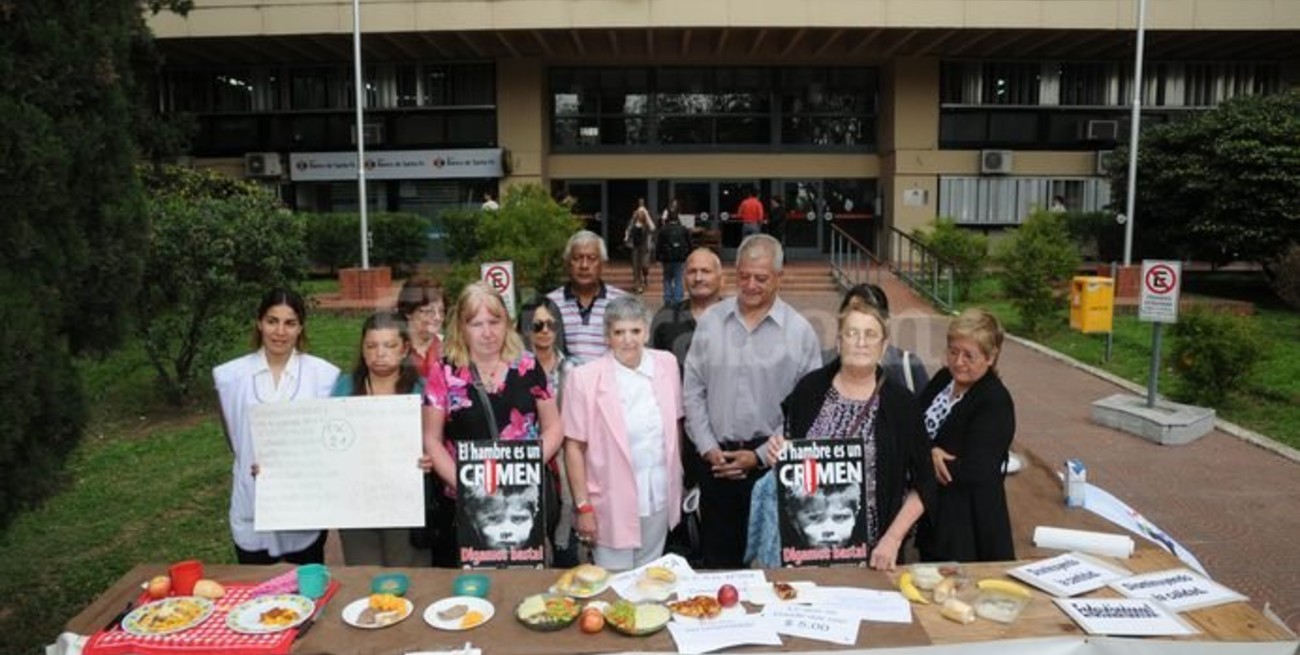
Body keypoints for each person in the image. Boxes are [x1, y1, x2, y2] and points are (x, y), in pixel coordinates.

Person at [750, 298, 936, 569]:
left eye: (870, 334)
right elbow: (792, 460)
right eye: (852, 333)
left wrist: (893, 539)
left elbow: (925, 484)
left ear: (883, 346)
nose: (861, 342)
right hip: (806, 552)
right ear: (838, 343)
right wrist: (777, 455)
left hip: (872, 553)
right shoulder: (809, 391)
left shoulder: (901, 405)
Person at [682, 234, 822, 568]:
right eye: (744, 276)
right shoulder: (711, 323)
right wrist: (706, 447)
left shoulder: (800, 333)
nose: (751, 285)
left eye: (761, 278)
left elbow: (806, 411)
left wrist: (758, 456)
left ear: (779, 277)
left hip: (769, 466)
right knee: (718, 566)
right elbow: (692, 389)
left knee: (769, 567)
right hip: (714, 460)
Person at [422, 283, 564, 566]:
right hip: (466, 504)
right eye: (476, 324)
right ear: (461, 328)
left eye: (494, 321)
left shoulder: (527, 366)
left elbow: (554, 427)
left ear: (507, 323)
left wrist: (527, 466)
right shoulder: (444, 371)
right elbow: (432, 439)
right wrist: (465, 485)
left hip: (523, 496)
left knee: (524, 582)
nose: (487, 332)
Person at [213, 288, 340, 564]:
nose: (280, 331)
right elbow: (233, 436)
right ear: (259, 323)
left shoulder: (324, 376)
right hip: (252, 499)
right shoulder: (229, 377)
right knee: (256, 594)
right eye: (272, 321)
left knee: (308, 592)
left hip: (303, 503)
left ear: (300, 327)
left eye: (290, 323)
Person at [563, 296, 684, 570]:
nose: (628, 340)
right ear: (607, 336)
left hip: (658, 495)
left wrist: (679, 480)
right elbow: (574, 447)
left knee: (651, 575)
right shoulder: (584, 379)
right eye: (619, 332)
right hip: (609, 503)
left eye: (635, 331)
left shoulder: (666, 365)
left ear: (647, 331)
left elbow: (674, 428)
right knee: (613, 583)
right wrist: (583, 506)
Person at [917, 308, 1016, 563]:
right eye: (953, 351)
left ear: (991, 357)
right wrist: (929, 452)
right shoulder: (943, 379)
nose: (958, 362)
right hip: (934, 519)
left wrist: (924, 458)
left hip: (970, 527)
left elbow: (975, 469)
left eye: (969, 355)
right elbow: (912, 425)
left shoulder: (994, 402)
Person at [331, 311, 427, 566]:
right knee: (363, 576)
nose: (380, 353)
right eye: (371, 345)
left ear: (405, 349)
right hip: (356, 503)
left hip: (407, 503)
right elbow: (327, 441)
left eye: (389, 345)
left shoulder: (422, 390)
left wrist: (429, 460)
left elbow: (436, 440)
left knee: (407, 575)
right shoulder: (343, 388)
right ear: (362, 350)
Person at [518, 297, 581, 567]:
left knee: (566, 540)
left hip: (568, 462)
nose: (545, 330)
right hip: (523, 464)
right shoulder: (511, 369)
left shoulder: (575, 368)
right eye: (537, 325)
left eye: (551, 324)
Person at [822, 283, 930, 394]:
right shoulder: (821, 364)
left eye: (871, 314)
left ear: (885, 323)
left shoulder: (908, 367)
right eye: (854, 311)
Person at [547, 230, 628, 365]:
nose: (584, 265)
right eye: (577, 258)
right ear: (567, 264)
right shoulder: (549, 304)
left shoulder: (622, 302)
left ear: (603, 264)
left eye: (592, 258)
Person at [650, 247, 724, 370]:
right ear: (684, 279)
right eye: (692, 272)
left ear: (721, 278)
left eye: (706, 271)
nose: (698, 278)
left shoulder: (737, 318)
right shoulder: (665, 317)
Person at [396, 276, 446, 377]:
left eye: (441, 311)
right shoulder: (394, 349)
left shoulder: (449, 349)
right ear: (408, 312)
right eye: (428, 311)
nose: (437, 318)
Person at [655, 210, 692, 305]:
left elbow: (659, 245)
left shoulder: (663, 230)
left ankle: (667, 298)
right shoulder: (683, 229)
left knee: (667, 278)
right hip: (680, 258)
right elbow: (689, 243)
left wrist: (658, 258)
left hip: (667, 259)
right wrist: (689, 255)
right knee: (678, 278)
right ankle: (678, 299)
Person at [624, 198, 656, 294]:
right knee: (635, 267)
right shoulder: (633, 222)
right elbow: (628, 229)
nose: (640, 214)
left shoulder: (646, 224)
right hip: (635, 248)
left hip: (644, 248)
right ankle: (637, 285)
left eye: (642, 213)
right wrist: (626, 237)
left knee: (644, 266)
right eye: (639, 213)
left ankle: (645, 275)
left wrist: (646, 214)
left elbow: (653, 228)